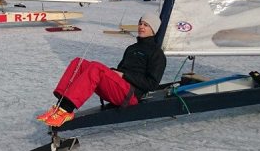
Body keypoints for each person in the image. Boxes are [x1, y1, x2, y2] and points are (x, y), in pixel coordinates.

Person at [37, 12, 166, 127]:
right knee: (79, 62)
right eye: (140, 23)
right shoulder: (131, 48)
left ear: (153, 30)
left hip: (131, 96)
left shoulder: (157, 54)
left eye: (146, 25)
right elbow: (121, 71)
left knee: (96, 67)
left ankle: (66, 110)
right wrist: (114, 73)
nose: (141, 27)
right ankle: (59, 107)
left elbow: (152, 84)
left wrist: (123, 75)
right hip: (120, 88)